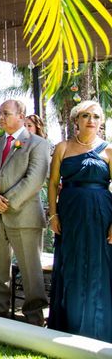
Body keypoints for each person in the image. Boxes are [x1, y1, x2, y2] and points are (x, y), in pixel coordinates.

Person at [0, 99, 50, 326]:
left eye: (6, 113)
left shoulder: (37, 143)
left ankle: (34, 316)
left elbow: (35, 179)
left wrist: (7, 202)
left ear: (21, 115)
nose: (1, 117)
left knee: (30, 270)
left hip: (24, 215)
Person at [47, 100, 112, 342]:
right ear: (76, 120)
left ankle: (99, 327)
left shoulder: (109, 150)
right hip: (70, 213)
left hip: (101, 214)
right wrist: (53, 214)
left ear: (101, 121)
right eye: (85, 116)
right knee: (71, 263)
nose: (91, 121)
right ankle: (69, 323)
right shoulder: (63, 147)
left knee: (99, 264)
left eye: (95, 116)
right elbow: (53, 183)